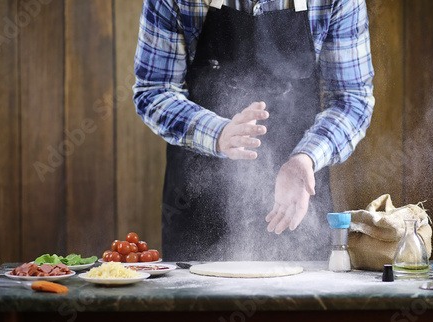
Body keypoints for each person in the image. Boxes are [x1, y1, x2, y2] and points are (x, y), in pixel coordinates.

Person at [133, 0, 375, 261]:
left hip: (294, 196)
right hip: (196, 199)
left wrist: (306, 157)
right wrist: (217, 133)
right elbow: (155, 90)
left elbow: (351, 100)